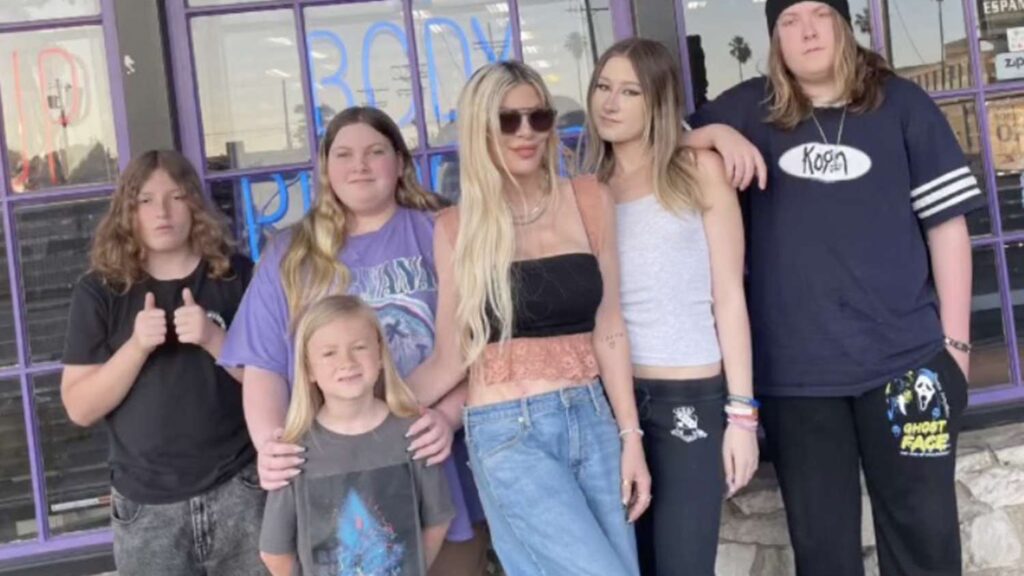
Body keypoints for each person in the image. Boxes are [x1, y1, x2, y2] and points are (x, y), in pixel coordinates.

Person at [688, 0, 983, 573]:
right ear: (775, 38)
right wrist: (716, 134)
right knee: (824, 554)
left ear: (844, 25)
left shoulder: (903, 104)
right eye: (789, 21)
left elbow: (947, 229)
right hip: (799, 382)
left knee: (926, 543)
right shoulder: (749, 108)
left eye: (820, 14)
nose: (807, 31)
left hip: (908, 367)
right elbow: (656, 143)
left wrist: (956, 348)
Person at [220, 106, 490, 575]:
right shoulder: (290, 253)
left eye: (375, 152)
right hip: (333, 475)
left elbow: (486, 349)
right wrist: (271, 444)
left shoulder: (443, 233)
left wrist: (448, 417)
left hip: (436, 456)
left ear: (400, 162)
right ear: (325, 169)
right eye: (343, 154)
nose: (359, 165)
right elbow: (264, 365)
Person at [406, 60, 650, 576]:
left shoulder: (589, 199)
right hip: (508, 433)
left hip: (593, 419)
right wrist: (362, 410)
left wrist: (631, 437)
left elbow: (609, 329)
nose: (526, 132)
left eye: (538, 117)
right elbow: (451, 357)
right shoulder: (456, 228)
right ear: (480, 129)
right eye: (507, 120)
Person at [586, 38, 757, 576]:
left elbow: (729, 295)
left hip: (689, 396)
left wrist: (742, 415)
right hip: (610, 402)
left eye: (630, 92)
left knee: (685, 563)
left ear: (658, 100)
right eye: (603, 87)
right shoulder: (587, 189)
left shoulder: (698, 169)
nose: (610, 102)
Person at [61, 150, 264, 575]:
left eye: (176, 197)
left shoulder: (237, 275)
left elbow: (277, 384)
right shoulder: (100, 290)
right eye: (146, 200)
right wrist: (136, 347)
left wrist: (215, 340)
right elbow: (79, 408)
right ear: (128, 211)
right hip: (147, 507)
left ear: (194, 203)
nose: (162, 212)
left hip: (241, 488)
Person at [259, 295, 454, 576]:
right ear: (309, 369)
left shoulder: (414, 433)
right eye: (329, 353)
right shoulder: (293, 452)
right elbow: (274, 552)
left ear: (380, 355)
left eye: (359, 347)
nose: (346, 362)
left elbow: (437, 521)